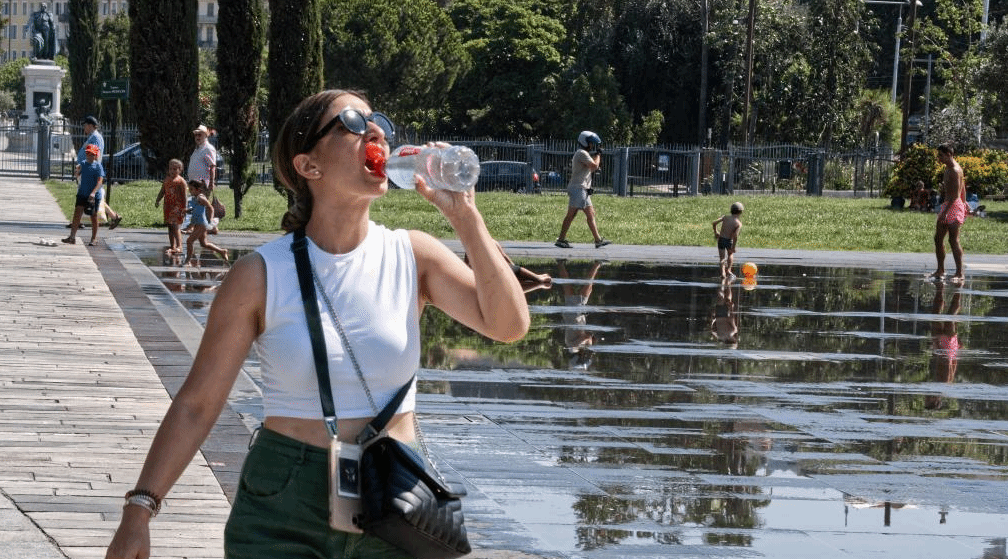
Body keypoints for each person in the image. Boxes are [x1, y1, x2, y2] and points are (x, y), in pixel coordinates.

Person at [104, 89, 530, 559]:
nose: (376, 133)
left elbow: (508, 325)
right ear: (309, 166)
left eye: (379, 123)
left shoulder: (413, 255)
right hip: (284, 499)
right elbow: (197, 403)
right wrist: (139, 510)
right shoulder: (259, 276)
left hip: (395, 496)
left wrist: (465, 217)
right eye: (351, 122)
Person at [555, 131, 610, 249]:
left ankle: (598, 240)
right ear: (585, 142)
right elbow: (594, 166)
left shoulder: (584, 153)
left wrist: (596, 155)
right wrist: (598, 155)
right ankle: (560, 240)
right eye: (591, 142)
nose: (592, 145)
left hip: (582, 189)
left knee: (590, 214)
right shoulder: (581, 153)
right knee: (571, 215)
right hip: (578, 189)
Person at [74, 115, 123, 230]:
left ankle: (78, 221)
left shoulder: (96, 137)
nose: (84, 128)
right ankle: (114, 216)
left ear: (90, 125)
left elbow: (95, 155)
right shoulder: (93, 136)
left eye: (85, 125)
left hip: (88, 171)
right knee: (90, 194)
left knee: (86, 194)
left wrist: (85, 168)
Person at [931, 144, 967, 284]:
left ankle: (959, 273)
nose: (939, 158)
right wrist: (965, 203)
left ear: (949, 154)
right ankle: (940, 270)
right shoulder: (949, 167)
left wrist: (945, 213)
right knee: (938, 239)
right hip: (950, 204)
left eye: (941, 155)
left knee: (953, 240)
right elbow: (963, 187)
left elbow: (955, 195)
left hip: (952, 205)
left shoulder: (954, 170)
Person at [925, 282, 961, 410]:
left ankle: (940, 287)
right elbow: (947, 364)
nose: (925, 398)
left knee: (936, 314)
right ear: (935, 400)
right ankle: (958, 288)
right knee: (950, 318)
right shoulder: (943, 386)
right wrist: (938, 346)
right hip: (945, 349)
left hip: (944, 349)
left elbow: (953, 366)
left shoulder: (939, 387)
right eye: (928, 400)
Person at [62, 144, 104, 246]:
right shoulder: (83, 164)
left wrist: (93, 193)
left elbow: (100, 182)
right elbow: (77, 175)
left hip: (93, 196)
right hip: (82, 193)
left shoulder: (98, 166)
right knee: (77, 215)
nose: (89, 156)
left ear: (95, 155)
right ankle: (72, 237)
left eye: (92, 154)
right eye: (88, 154)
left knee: (93, 216)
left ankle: (94, 238)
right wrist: (76, 172)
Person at [181, 179, 228, 266]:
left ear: (198, 190)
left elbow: (210, 207)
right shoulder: (195, 198)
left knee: (189, 241)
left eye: (191, 189)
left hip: (201, 224)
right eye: (189, 189)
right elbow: (196, 209)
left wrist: (210, 220)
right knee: (204, 244)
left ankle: (187, 261)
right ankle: (222, 251)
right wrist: (187, 211)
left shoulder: (201, 197)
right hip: (198, 223)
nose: (189, 191)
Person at [155, 159, 188, 254]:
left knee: (176, 226)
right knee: (170, 226)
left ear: (180, 170)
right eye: (170, 169)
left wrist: (185, 208)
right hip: (168, 207)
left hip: (178, 207)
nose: (172, 171)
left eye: (175, 169)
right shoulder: (167, 180)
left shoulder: (181, 181)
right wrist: (158, 200)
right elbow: (162, 191)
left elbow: (185, 196)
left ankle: (179, 246)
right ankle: (172, 245)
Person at [712, 201, 744, 279]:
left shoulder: (725, 217)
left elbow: (714, 223)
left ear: (731, 210)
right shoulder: (738, 223)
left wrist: (716, 232)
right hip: (729, 241)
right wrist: (733, 247)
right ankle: (729, 270)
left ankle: (723, 273)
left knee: (722, 258)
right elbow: (735, 236)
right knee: (730, 254)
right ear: (740, 212)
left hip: (721, 239)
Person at [188, 124, 218, 195]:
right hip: (193, 185)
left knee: (202, 204)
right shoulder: (197, 149)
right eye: (196, 135)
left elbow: (212, 166)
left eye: (199, 135)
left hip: (202, 185)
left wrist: (211, 183)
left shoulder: (208, 148)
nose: (197, 137)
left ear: (205, 136)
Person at [711, 278, 739, 348]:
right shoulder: (719, 337)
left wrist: (731, 308)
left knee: (726, 299)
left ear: (734, 340)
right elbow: (713, 330)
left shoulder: (733, 331)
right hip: (718, 315)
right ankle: (723, 282)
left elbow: (731, 318)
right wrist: (713, 319)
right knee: (721, 298)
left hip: (725, 314)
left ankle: (726, 282)